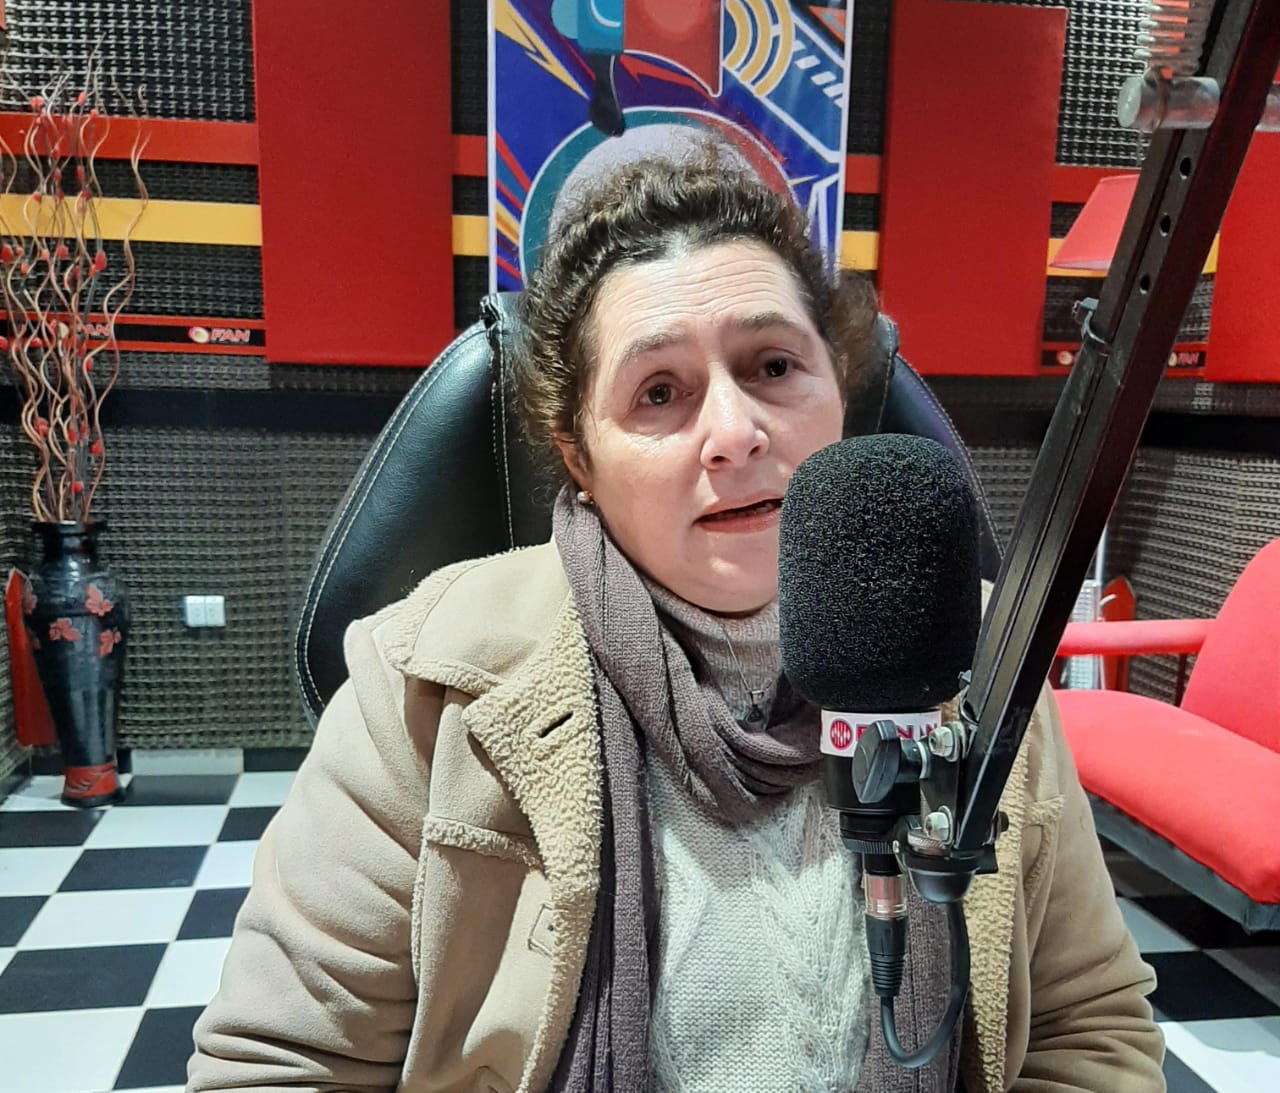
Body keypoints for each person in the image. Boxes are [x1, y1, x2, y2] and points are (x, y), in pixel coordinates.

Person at [187, 145, 1165, 1092]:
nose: (735, 433)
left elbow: (1090, 1029)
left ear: (839, 389)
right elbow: (278, 1064)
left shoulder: (981, 656)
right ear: (579, 455)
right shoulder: (423, 681)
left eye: (773, 366)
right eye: (659, 391)